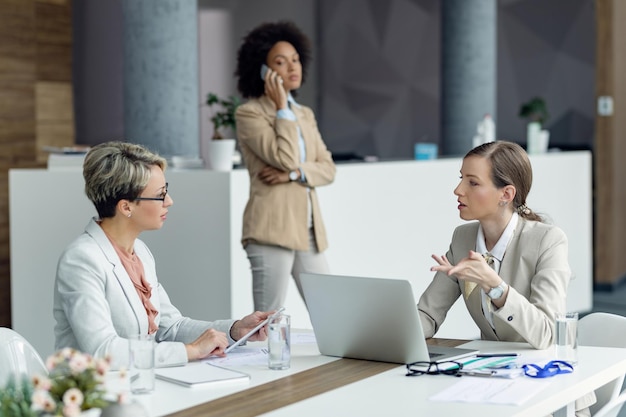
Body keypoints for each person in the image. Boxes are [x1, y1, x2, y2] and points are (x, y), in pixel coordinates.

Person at [53, 141, 272, 370]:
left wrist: (234, 330)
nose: (169, 201)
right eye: (160, 195)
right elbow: (103, 350)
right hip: (92, 394)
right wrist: (190, 351)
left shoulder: (141, 252)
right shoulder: (81, 260)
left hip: (138, 384)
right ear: (126, 207)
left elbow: (170, 328)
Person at [417, 140, 594, 416]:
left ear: (506, 194)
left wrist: (496, 287)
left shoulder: (548, 240)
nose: (458, 190)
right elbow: (427, 315)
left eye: (472, 183)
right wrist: (388, 337)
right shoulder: (462, 238)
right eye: (461, 179)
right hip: (493, 389)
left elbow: (547, 333)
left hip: (551, 395)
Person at [234, 21, 336, 311]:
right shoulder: (249, 114)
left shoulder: (305, 114)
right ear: (264, 72)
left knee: (330, 310)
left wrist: (293, 174)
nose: (292, 67)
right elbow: (286, 156)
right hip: (271, 230)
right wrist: (281, 108)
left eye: (295, 59)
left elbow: (327, 168)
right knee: (268, 322)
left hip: (308, 231)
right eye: (280, 62)